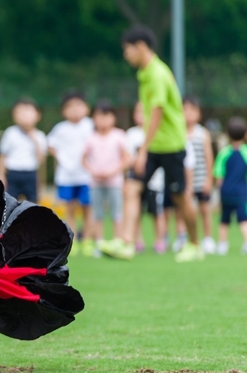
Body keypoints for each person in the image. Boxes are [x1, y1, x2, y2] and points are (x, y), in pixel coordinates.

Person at [99, 25, 202, 262]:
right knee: (132, 188)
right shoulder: (145, 73)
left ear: (141, 47)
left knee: (179, 197)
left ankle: (195, 245)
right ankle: (126, 243)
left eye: (128, 50)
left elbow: (156, 112)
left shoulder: (157, 73)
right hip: (154, 145)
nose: (126, 55)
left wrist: (142, 150)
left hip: (171, 146)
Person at [47, 90, 94, 255]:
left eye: (79, 106)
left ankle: (87, 240)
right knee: (70, 209)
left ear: (86, 108)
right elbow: (50, 145)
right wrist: (62, 159)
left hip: (87, 175)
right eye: (70, 107)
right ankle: (72, 241)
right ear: (64, 111)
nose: (75, 110)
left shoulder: (91, 125)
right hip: (66, 176)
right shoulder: (60, 128)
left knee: (88, 208)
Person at [82, 100, 130, 254]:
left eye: (106, 116)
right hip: (96, 182)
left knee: (117, 212)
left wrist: (114, 171)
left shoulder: (119, 135)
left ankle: (118, 241)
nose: (103, 120)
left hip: (114, 182)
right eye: (99, 116)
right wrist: (93, 171)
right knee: (97, 213)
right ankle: (99, 242)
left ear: (113, 118)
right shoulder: (91, 137)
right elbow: (83, 159)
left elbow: (127, 158)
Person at [125, 102, 168, 253]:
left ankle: (160, 240)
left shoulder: (158, 132)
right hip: (137, 180)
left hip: (155, 182)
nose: (141, 115)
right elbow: (128, 155)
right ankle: (137, 240)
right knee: (136, 212)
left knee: (157, 212)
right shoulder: (131, 134)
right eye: (138, 112)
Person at [0, 97, 46, 203]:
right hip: (13, 174)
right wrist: (0, 175)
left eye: (28, 112)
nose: (24, 116)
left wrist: (35, 142)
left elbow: (41, 159)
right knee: (9, 203)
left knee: (33, 204)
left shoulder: (40, 136)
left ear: (37, 115)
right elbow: (3, 155)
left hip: (30, 174)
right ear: (14, 116)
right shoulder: (10, 133)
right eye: (20, 112)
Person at [182, 96, 216, 253]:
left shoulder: (203, 133)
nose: (188, 113)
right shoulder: (178, 133)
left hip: (201, 179)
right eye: (184, 109)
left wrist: (209, 179)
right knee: (184, 209)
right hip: (184, 180)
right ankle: (182, 237)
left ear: (199, 113)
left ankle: (207, 238)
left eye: (192, 110)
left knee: (204, 209)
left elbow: (209, 158)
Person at [213, 116, 247, 255]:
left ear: (227, 134)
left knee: (224, 220)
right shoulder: (245, 152)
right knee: (243, 219)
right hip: (241, 193)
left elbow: (218, 175)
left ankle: (222, 245)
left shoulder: (224, 153)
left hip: (226, 193)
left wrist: (219, 188)